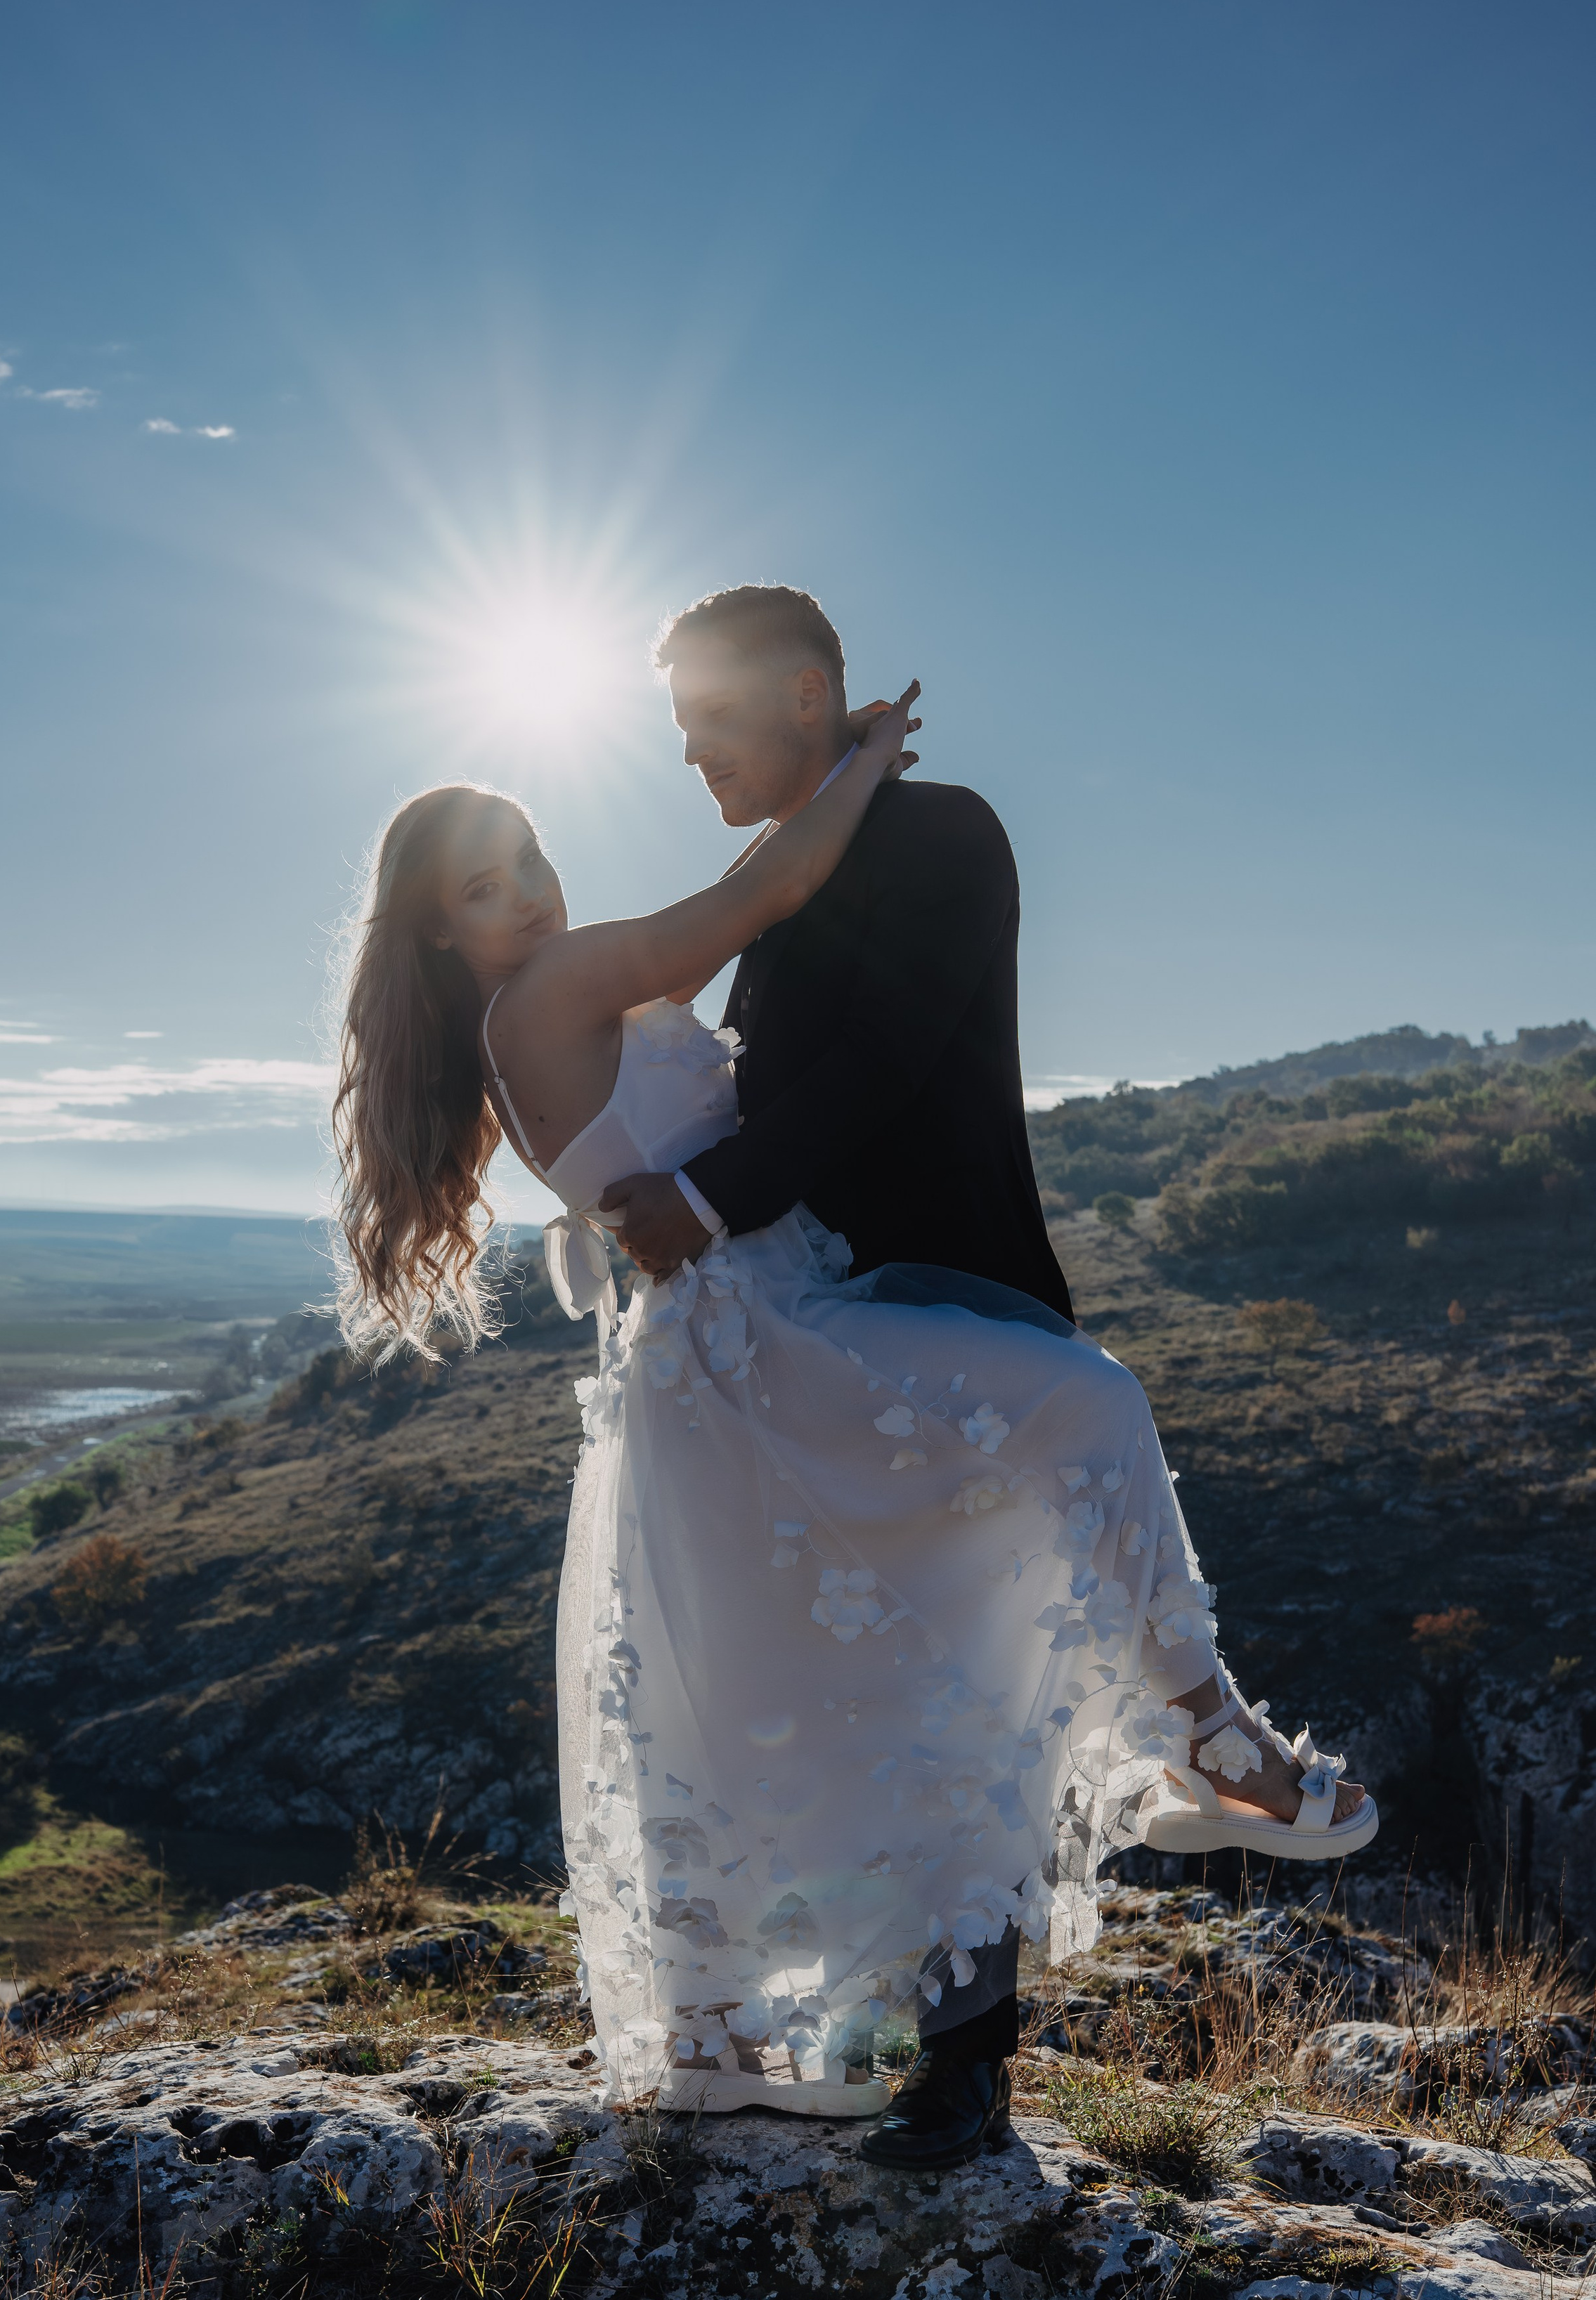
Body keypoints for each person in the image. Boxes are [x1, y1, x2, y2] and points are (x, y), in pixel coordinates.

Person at [331, 585, 1373, 2177]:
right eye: (491, 884)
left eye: (708, 721)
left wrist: (863, 777)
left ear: (802, 692)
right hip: (770, 1340)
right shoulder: (565, 985)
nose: (681, 757)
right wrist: (859, 759)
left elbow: (875, 1052)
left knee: (894, 1678)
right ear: (442, 931)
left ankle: (923, 2026)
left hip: (832, 1306)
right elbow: (765, 908)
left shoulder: (930, 845)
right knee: (883, 1662)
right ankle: (1189, 1755)